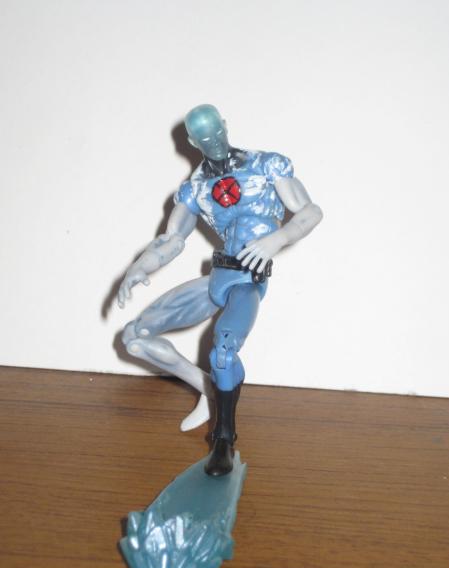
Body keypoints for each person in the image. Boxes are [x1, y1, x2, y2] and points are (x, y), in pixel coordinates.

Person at [118, 104, 323, 476]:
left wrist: (278, 239)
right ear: (192, 141)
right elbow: (171, 239)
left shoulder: (265, 165)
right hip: (217, 277)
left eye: (216, 131)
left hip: (247, 280)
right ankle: (209, 388)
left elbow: (310, 212)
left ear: (225, 126)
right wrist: (139, 267)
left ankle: (223, 439)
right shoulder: (196, 188)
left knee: (224, 352)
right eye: (204, 137)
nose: (213, 141)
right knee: (135, 338)